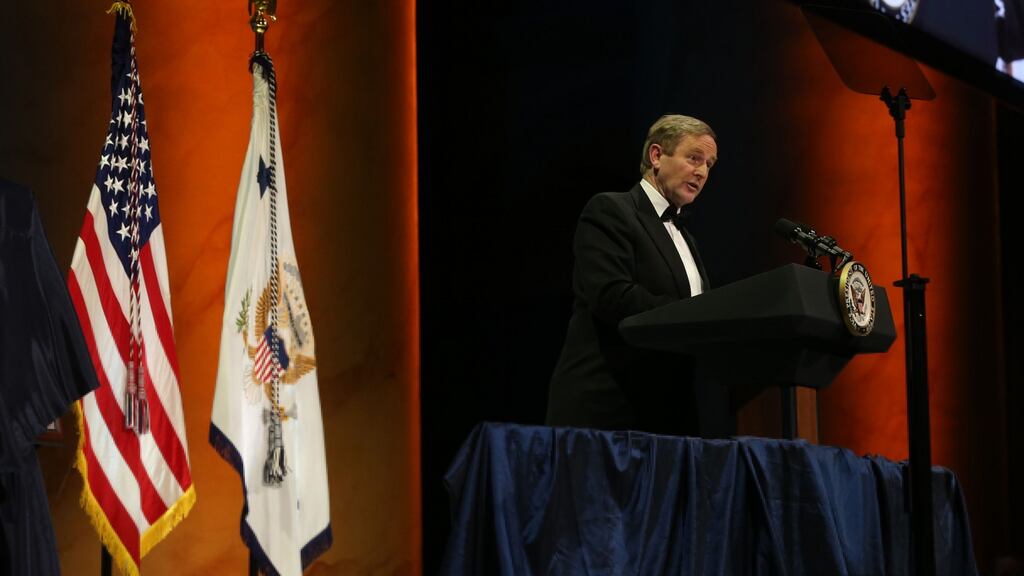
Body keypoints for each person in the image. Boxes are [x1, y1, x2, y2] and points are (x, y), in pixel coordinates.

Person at [546, 114, 718, 436]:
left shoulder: (687, 238)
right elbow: (613, 296)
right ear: (656, 155)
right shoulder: (610, 210)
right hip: (607, 413)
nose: (702, 171)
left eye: (709, 164)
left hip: (668, 417)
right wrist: (694, 319)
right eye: (694, 157)